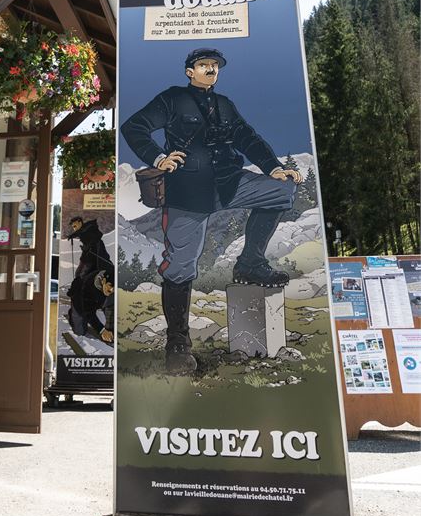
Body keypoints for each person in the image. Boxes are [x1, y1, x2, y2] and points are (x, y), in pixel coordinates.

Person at [121, 47, 303, 376]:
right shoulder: (173, 99)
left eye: (215, 66)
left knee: (281, 191)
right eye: (204, 65)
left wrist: (273, 167)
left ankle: (250, 262)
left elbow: (247, 137)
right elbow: (134, 127)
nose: (210, 70)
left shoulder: (224, 105)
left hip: (229, 183)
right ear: (189, 71)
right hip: (187, 191)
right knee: (179, 266)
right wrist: (158, 157)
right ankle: (177, 344)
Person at [66, 216, 112, 338]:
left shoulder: (91, 232)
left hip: (92, 266)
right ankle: (77, 319)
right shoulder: (86, 232)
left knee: (80, 280)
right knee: (79, 327)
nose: (75, 228)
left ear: (80, 222)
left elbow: (93, 239)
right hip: (88, 265)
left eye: (76, 226)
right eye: (73, 227)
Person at [94, 269, 115, 343]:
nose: (112, 289)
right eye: (110, 285)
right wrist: (102, 330)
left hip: (105, 304)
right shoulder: (90, 288)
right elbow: (87, 312)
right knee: (80, 330)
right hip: (85, 305)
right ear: (103, 281)